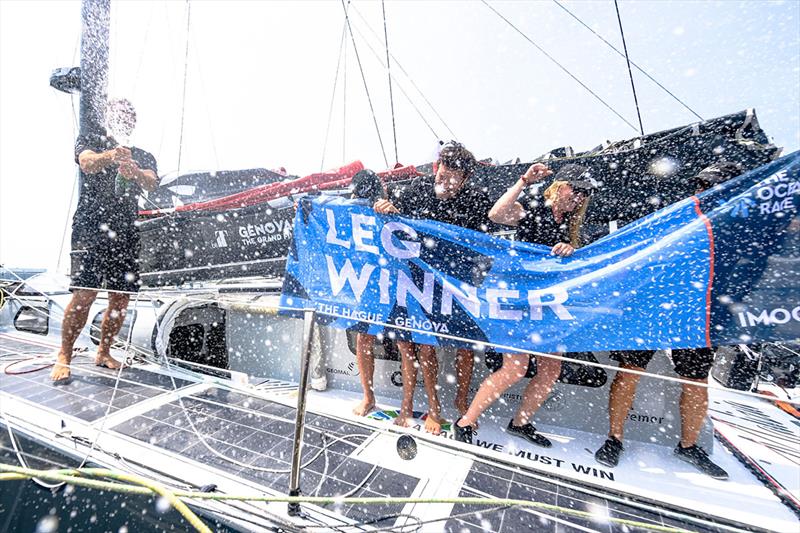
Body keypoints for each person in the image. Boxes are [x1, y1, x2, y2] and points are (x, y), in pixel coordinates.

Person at [593, 162, 744, 480]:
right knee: (629, 372)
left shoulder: (737, 227)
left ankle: (688, 446)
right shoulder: (676, 215)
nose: (702, 189)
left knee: (696, 380)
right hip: (652, 307)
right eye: (701, 184)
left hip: (696, 313)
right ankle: (614, 438)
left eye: (710, 184)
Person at [454, 163, 602, 446]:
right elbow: (496, 215)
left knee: (550, 370)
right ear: (561, 186)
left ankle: (520, 423)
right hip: (521, 303)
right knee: (515, 369)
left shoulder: (571, 223)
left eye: (585, 192)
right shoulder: (535, 206)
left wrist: (571, 250)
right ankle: (465, 422)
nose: (580, 197)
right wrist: (523, 180)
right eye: (577, 189)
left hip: (549, 305)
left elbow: (575, 261)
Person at [374, 142, 496, 431]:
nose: (447, 179)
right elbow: (392, 223)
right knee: (419, 346)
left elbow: (488, 245)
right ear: (435, 168)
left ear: (465, 179)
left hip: (458, 284)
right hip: (416, 280)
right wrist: (385, 208)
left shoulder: (478, 200)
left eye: (455, 175)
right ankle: (424, 407)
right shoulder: (414, 191)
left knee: (466, 349)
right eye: (444, 172)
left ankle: (462, 402)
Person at [51, 98, 158, 382]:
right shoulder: (91, 140)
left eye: (130, 114)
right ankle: (64, 355)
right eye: (120, 114)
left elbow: (152, 181)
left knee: (120, 299)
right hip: (91, 228)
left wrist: (133, 170)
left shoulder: (143, 155)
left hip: (126, 231)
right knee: (84, 294)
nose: (126, 118)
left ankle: (104, 351)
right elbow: (86, 162)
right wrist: (111, 156)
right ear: (108, 118)